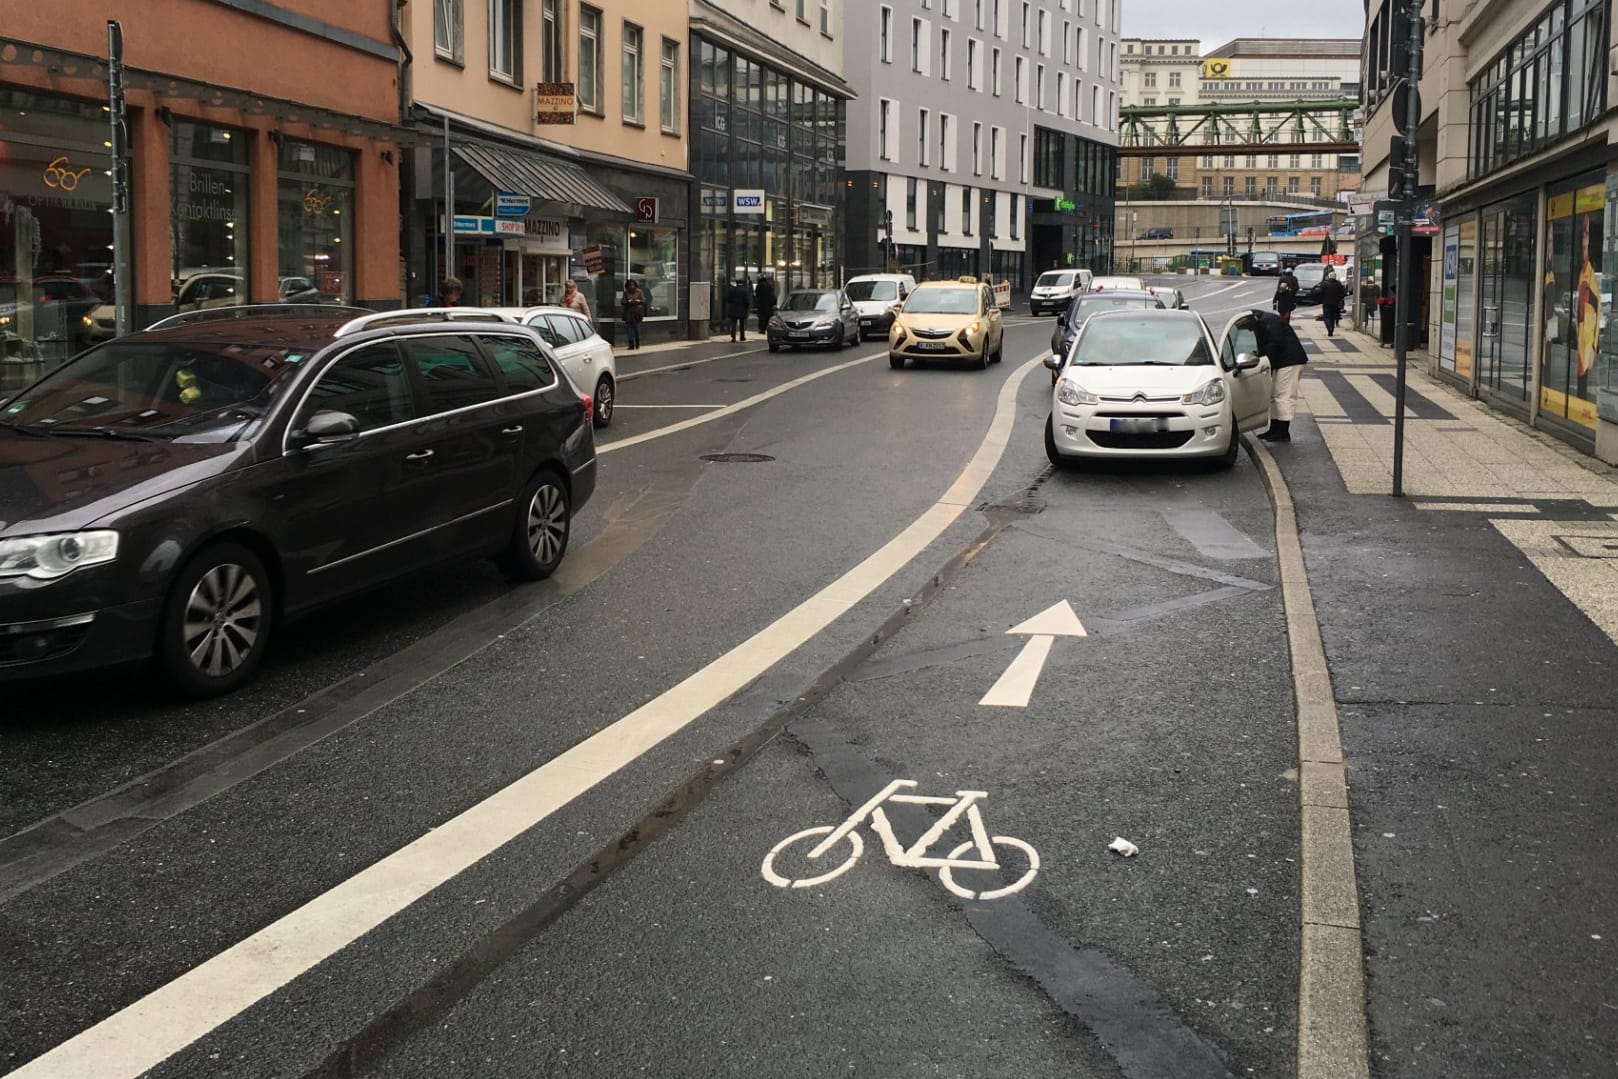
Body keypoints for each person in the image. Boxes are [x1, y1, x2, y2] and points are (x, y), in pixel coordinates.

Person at [1251, 308, 1309, 443]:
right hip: (1283, 362)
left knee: (1283, 395)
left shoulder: (1268, 322)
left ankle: (1283, 431)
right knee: (1274, 395)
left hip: (1290, 361)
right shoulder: (1267, 321)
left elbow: (1275, 343)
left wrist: (1264, 361)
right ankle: (1274, 428)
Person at [1318, 266, 1346, 337]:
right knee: (1332, 317)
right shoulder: (1338, 284)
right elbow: (1343, 293)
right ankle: (1331, 329)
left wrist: (1321, 299)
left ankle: (1329, 328)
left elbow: (1320, 292)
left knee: (1326, 317)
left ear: (1329, 277)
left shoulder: (1325, 284)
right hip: (1335, 303)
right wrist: (1338, 298)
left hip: (1326, 303)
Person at [725, 276, 752, 341]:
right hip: (742, 309)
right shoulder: (744, 291)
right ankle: (742, 337)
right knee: (742, 324)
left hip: (733, 309)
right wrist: (746, 307)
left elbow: (728, 299)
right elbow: (747, 301)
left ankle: (733, 337)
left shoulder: (732, 290)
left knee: (734, 323)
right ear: (742, 283)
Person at [621, 279, 646, 350]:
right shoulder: (626, 293)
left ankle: (637, 343)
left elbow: (643, 301)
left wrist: (639, 301)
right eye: (630, 285)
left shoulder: (639, 292)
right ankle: (631, 344)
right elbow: (623, 301)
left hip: (637, 312)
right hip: (628, 312)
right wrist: (628, 302)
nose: (631, 287)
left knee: (637, 329)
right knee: (629, 329)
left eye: (633, 285)